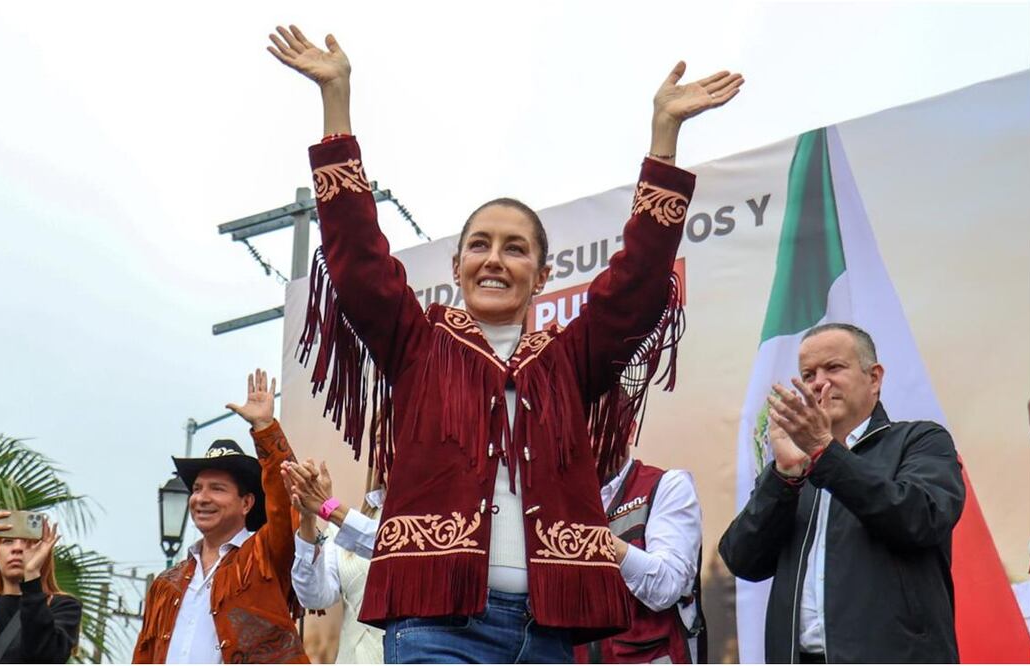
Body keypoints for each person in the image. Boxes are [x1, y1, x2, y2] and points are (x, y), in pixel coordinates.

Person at [268, 24, 742, 662]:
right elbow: (356, 258)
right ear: (458, 265)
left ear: (541, 276)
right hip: (436, 627)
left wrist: (665, 137)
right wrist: (336, 101)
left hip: (546, 633)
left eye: (515, 249)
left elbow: (635, 284)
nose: (495, 259)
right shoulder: (419, 345)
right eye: (480, 245)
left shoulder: (566, 361)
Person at [719, 323, 965, 663]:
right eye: (808, 375)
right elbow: (741, 559)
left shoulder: (920, 440)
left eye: (833, 367)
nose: (819, 383)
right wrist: (784, 475)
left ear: (874, 378)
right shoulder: (794, 467)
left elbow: (920, 519)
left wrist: (825, 452)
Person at [133, 369, 308, 663]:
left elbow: (287, 500)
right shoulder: (166, 584)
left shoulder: (263, 555)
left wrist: (265, 428)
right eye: (197, 488)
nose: (202, 498)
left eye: (217, 488)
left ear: (246, 503)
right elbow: (144, 655)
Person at [575, 440, 705, 664]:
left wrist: (601, 541)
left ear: (630, 430)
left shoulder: (667, 485)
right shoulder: (560, 497)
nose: (593, 441)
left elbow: (666, 586)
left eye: (603, 429)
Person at [287, 459, 385, 663]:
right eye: (379, 443)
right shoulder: (346, 525)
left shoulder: (436, 519)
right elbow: (314, 596)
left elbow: (391, 544)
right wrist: (308, 517)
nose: (391, 449)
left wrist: (328, 507)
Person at [0, 505, 82, 663]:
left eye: (28, 543)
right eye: (8, 541)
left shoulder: (63, 607)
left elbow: (44, 656)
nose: (17, 548)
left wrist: (31, 576)